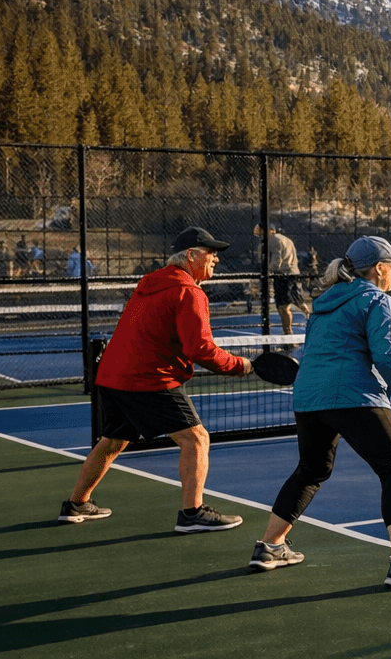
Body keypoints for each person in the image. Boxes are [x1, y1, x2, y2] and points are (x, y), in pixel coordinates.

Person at [248, 235, 391, 587]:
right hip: (354, 396)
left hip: (309, 399)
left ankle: (270, 546)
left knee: (311, 470)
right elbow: (387, 356)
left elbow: (314, 352)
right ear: (378, 269)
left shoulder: (324, 303)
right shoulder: (378, 301)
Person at [58, 226, 253, 532]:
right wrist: (239, 365)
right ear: (190, 255)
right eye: (210, 252)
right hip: (147, 379)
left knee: (112, 441)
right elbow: (199, 349)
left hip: (111, 375)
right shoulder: (189, 292)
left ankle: (77, 504)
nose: (216, 258)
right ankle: (193, 514)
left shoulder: (149, 283)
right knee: (196, 439)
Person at [256, 224, 306, 336]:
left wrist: (267, 270)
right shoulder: (286, 239)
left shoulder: (273, 241)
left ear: (270, 231)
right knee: (297, 300)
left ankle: (288, 333)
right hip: (293, 273)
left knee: (283, 306)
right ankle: (307, 319)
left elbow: (276, 261)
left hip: (283, 276)